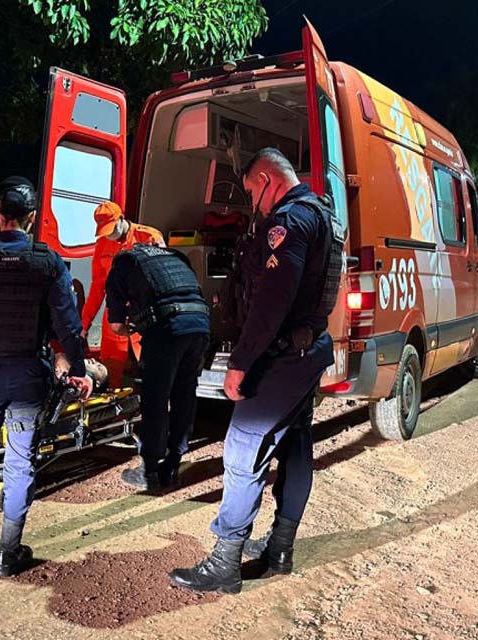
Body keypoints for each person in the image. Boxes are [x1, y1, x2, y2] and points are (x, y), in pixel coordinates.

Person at [170, 147, 342, 593]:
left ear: (266, 179)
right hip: (307, 352)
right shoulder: (322, 215)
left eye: (252, 193)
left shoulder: (288, 222)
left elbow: (271, 302)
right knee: (297, 444)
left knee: (243, 450)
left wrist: (239, 363)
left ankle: (224, 564)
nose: (254, 205)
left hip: (281, 358)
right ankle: (280, 547)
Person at [0, 176, 93, 577]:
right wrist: (78, 370)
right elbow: (69, 327)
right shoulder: (48, 263)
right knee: (20, 461)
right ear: (32, 217)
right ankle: (8, 555)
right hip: (28, 375)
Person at [105, 244, 210, 491]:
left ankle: (149, 470)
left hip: (167, 330)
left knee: (156, 398)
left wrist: (134, 325)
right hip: (200, 326)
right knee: (185, 394)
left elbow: (117, 326)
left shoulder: (122, 263)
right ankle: (172, 466)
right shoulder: (176, 255)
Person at [81, 201, 165, 387]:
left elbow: (162, 282)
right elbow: (97, 288)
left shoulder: (148, 236)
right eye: (104, 230)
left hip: (144, 317)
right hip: (115, 319)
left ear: (121, 218)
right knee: (109, 376)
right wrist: (83, 325)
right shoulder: (102, 245)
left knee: (154, 372)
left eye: (111, 228)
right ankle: (112, 414)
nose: (109, 235)